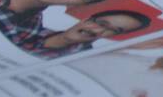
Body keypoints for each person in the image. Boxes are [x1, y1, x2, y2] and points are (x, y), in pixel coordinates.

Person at [18, 10, 152, 60]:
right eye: (101, 23)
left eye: (113, 30)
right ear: (86, 19)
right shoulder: (29, 27)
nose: (97, 31)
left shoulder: (79, 62)